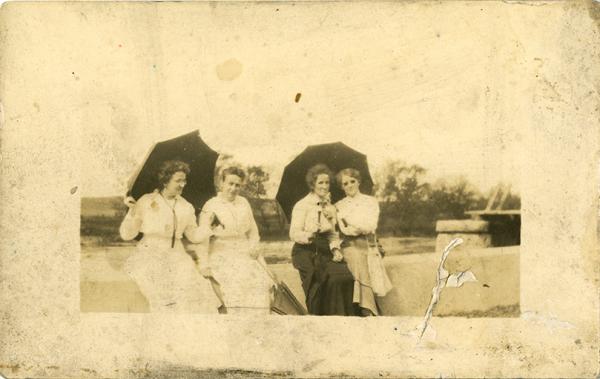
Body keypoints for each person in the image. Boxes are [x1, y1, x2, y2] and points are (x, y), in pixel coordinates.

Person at [119, 160, 220, 313]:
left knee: (198, 290)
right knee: (163, 296)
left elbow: (193, 236)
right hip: (150, 253)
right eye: (178, 180)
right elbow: (127, 235)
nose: (182, 184)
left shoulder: (186, 206)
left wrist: (209, 226)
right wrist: (132, 212)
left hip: (177, 254)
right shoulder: (146, 201)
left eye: (184, 180)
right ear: (165, 180)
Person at [196, 166, 275, 315]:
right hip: (221, 252)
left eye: (237, 185)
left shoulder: (243, 202)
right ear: (221, 183)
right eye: (230, 184)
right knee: (235, 289)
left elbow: (252, 230)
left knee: (261, 286)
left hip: (245, 250)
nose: (233, 188)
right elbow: (203, 238)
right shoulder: (211, 205)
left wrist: (253, 246)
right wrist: (204, 264)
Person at [289, 163, 356, 315]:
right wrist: (309, 234)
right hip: (305, 251)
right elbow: (293, 233)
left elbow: (332, 234)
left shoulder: (330, 207)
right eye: (320, 182)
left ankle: (341, 318)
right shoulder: (302, 205)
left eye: (327, 182)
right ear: (313, 184)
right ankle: (320, 319)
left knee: (344, 277)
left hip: (325, 250)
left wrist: (336, 249)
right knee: (318, 282)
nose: (324, 186)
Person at [335, 168, 392, 316]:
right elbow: (346, 231)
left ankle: (367, 307)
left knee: (365, 260)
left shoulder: (370, 201)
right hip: (349, 245)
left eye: (352, 181)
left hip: (368, 244)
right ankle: (369, 309)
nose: (349, 186)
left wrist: (349, 220)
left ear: (358, 181)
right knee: (357, 258)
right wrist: (356, 224)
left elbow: (370, 226)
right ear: (342, 187)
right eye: (345, 183)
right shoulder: (339, 206)